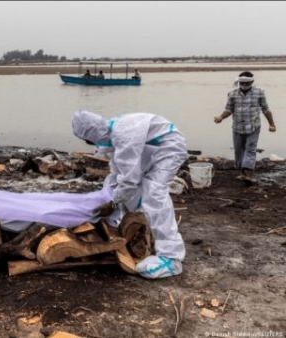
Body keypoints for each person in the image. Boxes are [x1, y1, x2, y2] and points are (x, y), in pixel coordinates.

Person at [72, 109, 187, 279]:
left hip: (168, 147)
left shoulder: (123, 134)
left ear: (92, 134)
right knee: (122, 185)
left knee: (154, 193)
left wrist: (112, 203)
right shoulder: (113, 132)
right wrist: (107, 200)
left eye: (88, 140)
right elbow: (117, 174)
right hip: (151, 146)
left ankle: (172, 257)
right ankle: (117, 222)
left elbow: (129, 180)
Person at [214, 71, 276, 184]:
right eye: (242, 83)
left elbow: (266, 109)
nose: (244, 86)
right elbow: (229, 109)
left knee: (250, 149)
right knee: (238, 151)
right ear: (239, 82)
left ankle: (249, 174)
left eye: (247, 83)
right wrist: (221, 117)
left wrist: (271, 124)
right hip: (237, 127)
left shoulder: (259, 93)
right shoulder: (232, 94)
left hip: (253, 126)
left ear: (252, 82)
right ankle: (243, 172)